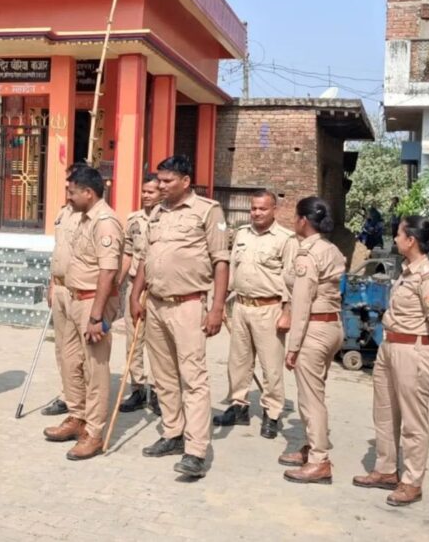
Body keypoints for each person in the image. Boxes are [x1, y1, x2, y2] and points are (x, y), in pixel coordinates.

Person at [130, 154, 229, 479]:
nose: (160, 185)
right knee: (164, 375)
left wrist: (216, 308)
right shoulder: (157, 213)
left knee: (193, 377)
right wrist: (135, 294)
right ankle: (172, 432)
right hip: (155, 304)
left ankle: (196, 450)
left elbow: (221, 260)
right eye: (159, 180)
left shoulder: (208, 210)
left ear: (186, 182)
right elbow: (146, 256)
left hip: (189, 305)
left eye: (167, 181)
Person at [353, 216, 429, 506]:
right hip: (391, 346)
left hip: (414, 350)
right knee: (384, 413)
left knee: (412, 420)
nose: (394, 239)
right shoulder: (407, 272)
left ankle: (412, 481)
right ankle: (386, 470)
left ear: (411, 240)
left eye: (398, 234)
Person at [43, 166, 123, 460]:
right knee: (69, 358)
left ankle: (94, 430)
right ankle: (76, 416)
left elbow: (108, 271)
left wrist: (96, 316)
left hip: (91, 301)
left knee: (95, 366)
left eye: (72, 191)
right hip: (70, 295)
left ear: (89, 193)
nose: (68, 196)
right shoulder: (78, 216)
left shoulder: (105, 222)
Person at [214, 190, 297, 440]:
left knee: (270, 366)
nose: (257, 213)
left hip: (269, 309)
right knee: (238, 362)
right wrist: (220, 301)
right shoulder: (241, 234)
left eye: (262, 208)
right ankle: (238, 405)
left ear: (274, 210)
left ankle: (272, 414)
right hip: (241, 306)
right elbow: (232, 269)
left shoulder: (286, 239)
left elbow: (292, 281)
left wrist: (287, 313)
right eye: (253, 208)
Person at [278, 196, 346, 484]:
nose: (294, 222)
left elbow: (302, 302)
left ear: (303, 221)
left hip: (313, 330)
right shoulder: (331, 249)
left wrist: (293, 347)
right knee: (315, 391)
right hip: (332, 327)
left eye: (295, 217)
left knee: (310, 398)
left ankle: (319, 459)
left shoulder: (307, 255)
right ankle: (311, 446)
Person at [42, 162, 90, 418]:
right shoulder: (63, 213)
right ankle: (67, 394)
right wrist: (52, 285)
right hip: (59, 287)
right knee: (62, 347)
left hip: (79, 290)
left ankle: (83, 398)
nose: (68, 191)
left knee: (81, 350)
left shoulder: (89, 215)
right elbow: (57, 252)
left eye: (72, 185)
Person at [117, 173, 162, 415]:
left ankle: (156, 390)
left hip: (156, 290)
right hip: (135, 285)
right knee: (133, 341)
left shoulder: (166, 220)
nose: (146, 195)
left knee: (156, 342)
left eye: (151, 192)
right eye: (144, 191)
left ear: (161, 193)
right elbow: (127, 253)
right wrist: (119, 281)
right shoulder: (133, 219)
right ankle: (137, 388)